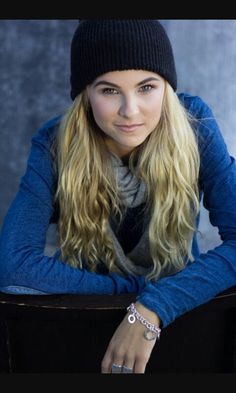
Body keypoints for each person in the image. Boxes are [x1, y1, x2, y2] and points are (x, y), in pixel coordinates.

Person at [0, 19, 236, 374]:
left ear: (166, 87)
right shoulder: (55, 143)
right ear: (85, 94)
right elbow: (13, 265)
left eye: (147, 87)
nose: (131, 110)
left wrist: (154, 305)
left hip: (180, 318)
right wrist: (132, 289)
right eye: (109, 90)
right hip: (81, 322)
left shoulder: (194, 125)